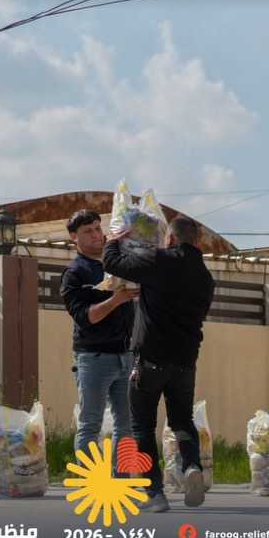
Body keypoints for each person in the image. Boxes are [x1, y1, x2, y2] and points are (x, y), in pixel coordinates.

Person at [102, 216, 214, 512]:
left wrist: (113, 240)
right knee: (182, 421)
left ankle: (154, 494)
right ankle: (192, 466)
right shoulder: (205, 277)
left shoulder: (158, 260)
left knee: (142, 426)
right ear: (195, 241)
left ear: (170, 238)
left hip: (150, 359)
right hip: (185, 362)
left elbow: (112, 263)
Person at [60, 209, 139, 475]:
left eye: (97, 228)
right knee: (90, 424)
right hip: (94, 358)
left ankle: (121, 482)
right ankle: (91, 483)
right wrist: (116, 300)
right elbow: (85, 318)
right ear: (74, 238)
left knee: (126, 424)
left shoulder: (116, 261)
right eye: (88, 231)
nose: (96, 235)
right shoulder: (75, 273)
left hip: (125, 355)